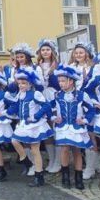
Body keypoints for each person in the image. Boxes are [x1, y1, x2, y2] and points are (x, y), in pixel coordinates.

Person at [7, 67, 53, 187]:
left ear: (30, 84)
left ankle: (39, 176)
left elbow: (46, 106)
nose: (21, 86)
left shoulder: (35, 94)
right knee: (14, 140)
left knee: (35, 150)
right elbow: (15, 106)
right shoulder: (20, 94)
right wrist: (5, 112)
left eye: (24, 83)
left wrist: (36, 116)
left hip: (34, 126)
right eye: (19, 83)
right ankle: (25, 160)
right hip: (23, 124)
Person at [51, 65, 94, 190]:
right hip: (63, 127)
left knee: (77, 151)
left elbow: (91, 110)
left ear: (71, 81)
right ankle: (65, 176)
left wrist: (84, 120)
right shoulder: (57, 95)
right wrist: (54, 118)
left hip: (76, 127)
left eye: (63, 81)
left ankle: (78, 177)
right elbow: (49, 108)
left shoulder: (81, 95)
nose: (60, 83)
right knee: (64, 149)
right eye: (59, 81)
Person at [68, 42, 100, 180]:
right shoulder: (71, 67)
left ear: (87, 54)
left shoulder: (95, 68)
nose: (78, 55)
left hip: (90, 102)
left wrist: (96, 102)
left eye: (81, 53)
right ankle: (95, 163)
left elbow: (97, 86)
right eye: (76, 53)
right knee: (80, 134)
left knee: (90, 135)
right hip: (75, 103)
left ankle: (90, 167)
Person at [36, 39, 61, 174]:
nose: (45, 52)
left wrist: (51, 73)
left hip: (54, 97)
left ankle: (58, 161)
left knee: (55, 127)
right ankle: (51, 160)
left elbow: (59, 84)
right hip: (42, 98)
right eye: (43, 50)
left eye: (48, 49)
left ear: (52, 51)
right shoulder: (37, 66)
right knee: (46, 130)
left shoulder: (58, 66)